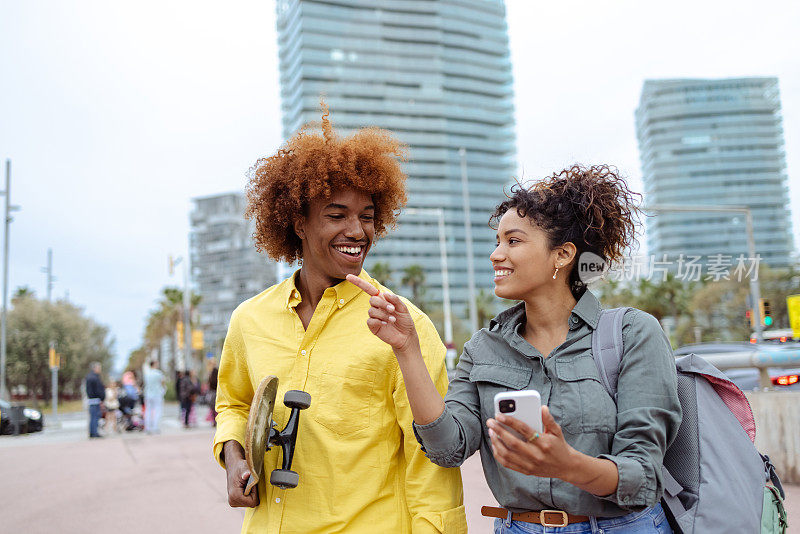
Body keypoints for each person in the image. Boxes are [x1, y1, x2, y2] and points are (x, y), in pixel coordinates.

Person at [351, 165, 682, 533]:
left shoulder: (632, 333)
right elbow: (448, 449)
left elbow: (643, 476)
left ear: (562, 255)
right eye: (497, 241)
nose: (496, 254)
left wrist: (568, 464)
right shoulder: (484, 347)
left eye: (513, 241)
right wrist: (407, 349)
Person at [213, 108, 467, 533]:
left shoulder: (404, 326)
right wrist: (234, 455)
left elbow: (430, 468)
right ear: (298, 222)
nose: (357, 231)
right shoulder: (249, 320)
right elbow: (234, 404)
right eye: (336, 215)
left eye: (367, 216)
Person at [143, 360, 166, 434]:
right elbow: (162, 383)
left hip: (148, 394)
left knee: (148, 411)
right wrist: (163, 390)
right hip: (157, 394)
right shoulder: (158, 373)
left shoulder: (147, 373)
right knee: (157, 410)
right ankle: (155, 427)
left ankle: (148, 428)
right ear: (155, 364)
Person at [85, 362, 105, 438]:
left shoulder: (89, 377)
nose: (100, 370)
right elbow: (98, 390)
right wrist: (102, 398)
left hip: (91, 400)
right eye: (99, 368)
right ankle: (94, 433)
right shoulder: (94, 378)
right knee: (95, 417)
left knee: (93, 417)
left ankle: (92, 432)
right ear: (95, 368)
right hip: (95, 400)